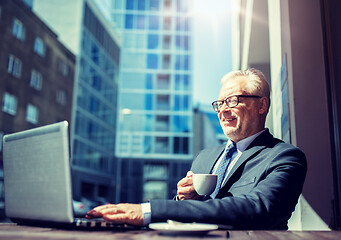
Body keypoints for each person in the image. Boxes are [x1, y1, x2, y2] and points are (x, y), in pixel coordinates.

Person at [86, 68, 307, 230]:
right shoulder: (205, 157)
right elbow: (189, 211)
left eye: (232, 100)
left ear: (261, 105)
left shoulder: (285, 157)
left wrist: (150, 210)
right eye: (219, 104)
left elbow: (258, 210)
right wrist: (183, 200)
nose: (222, 111)